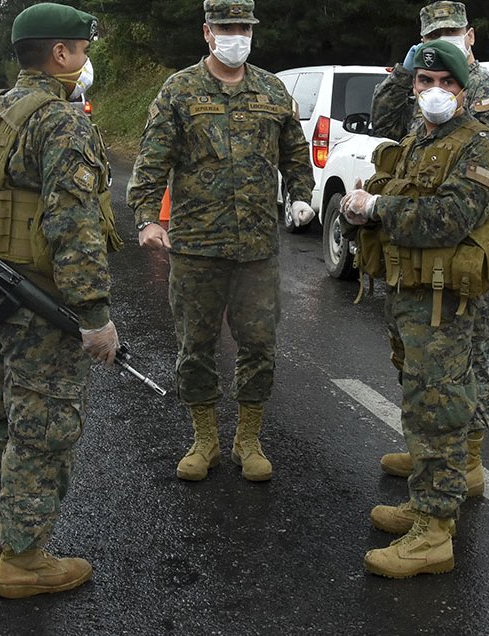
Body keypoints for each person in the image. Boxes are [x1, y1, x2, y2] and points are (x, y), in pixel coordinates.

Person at [0, 2, 123, 599]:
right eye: (83, 49)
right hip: (38, 305)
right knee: (41, 430)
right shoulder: (60, 122)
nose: (86, 59)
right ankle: (23, 560)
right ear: (60, 53)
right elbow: (74, 228)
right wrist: (95, 317)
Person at [342, 40, 489, 578]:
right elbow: (402, 193)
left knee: (439, 408)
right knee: (420, 401)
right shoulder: (420, 138)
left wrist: (379, 208)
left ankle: (435, 533)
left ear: (464, 89)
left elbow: (450, 217)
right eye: (425, 82)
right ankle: (425, 506)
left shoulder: (479, 145)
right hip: (413, 296)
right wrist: (362, 202)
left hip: (446, 305)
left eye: (447, 83)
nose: (435, 91)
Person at [127, 0, 315, 483]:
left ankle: (248, 439)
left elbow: (295, 155)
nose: (236, 36)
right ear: (207, 33)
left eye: (243, 28)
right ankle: (204, 439)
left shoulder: (272, 90)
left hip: (257, 250)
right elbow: (152, 161)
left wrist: (300, 195)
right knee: (196, 345)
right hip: (196, 248)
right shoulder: (179, 90)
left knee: (259, 344)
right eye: (226, 27)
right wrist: (147, 219)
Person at [369, 0, 489, 502]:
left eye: (452, 32)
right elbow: (385, 122)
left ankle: (465, 459)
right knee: (423, 363)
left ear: (470, 35)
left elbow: (482, 179)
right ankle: (429, 450)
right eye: (433, 35)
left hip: (465, 244)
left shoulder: (485, 91)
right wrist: (405, 72)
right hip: (423, 243)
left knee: (468, 360)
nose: (444, 40)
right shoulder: (426, 85)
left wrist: (394, 208)